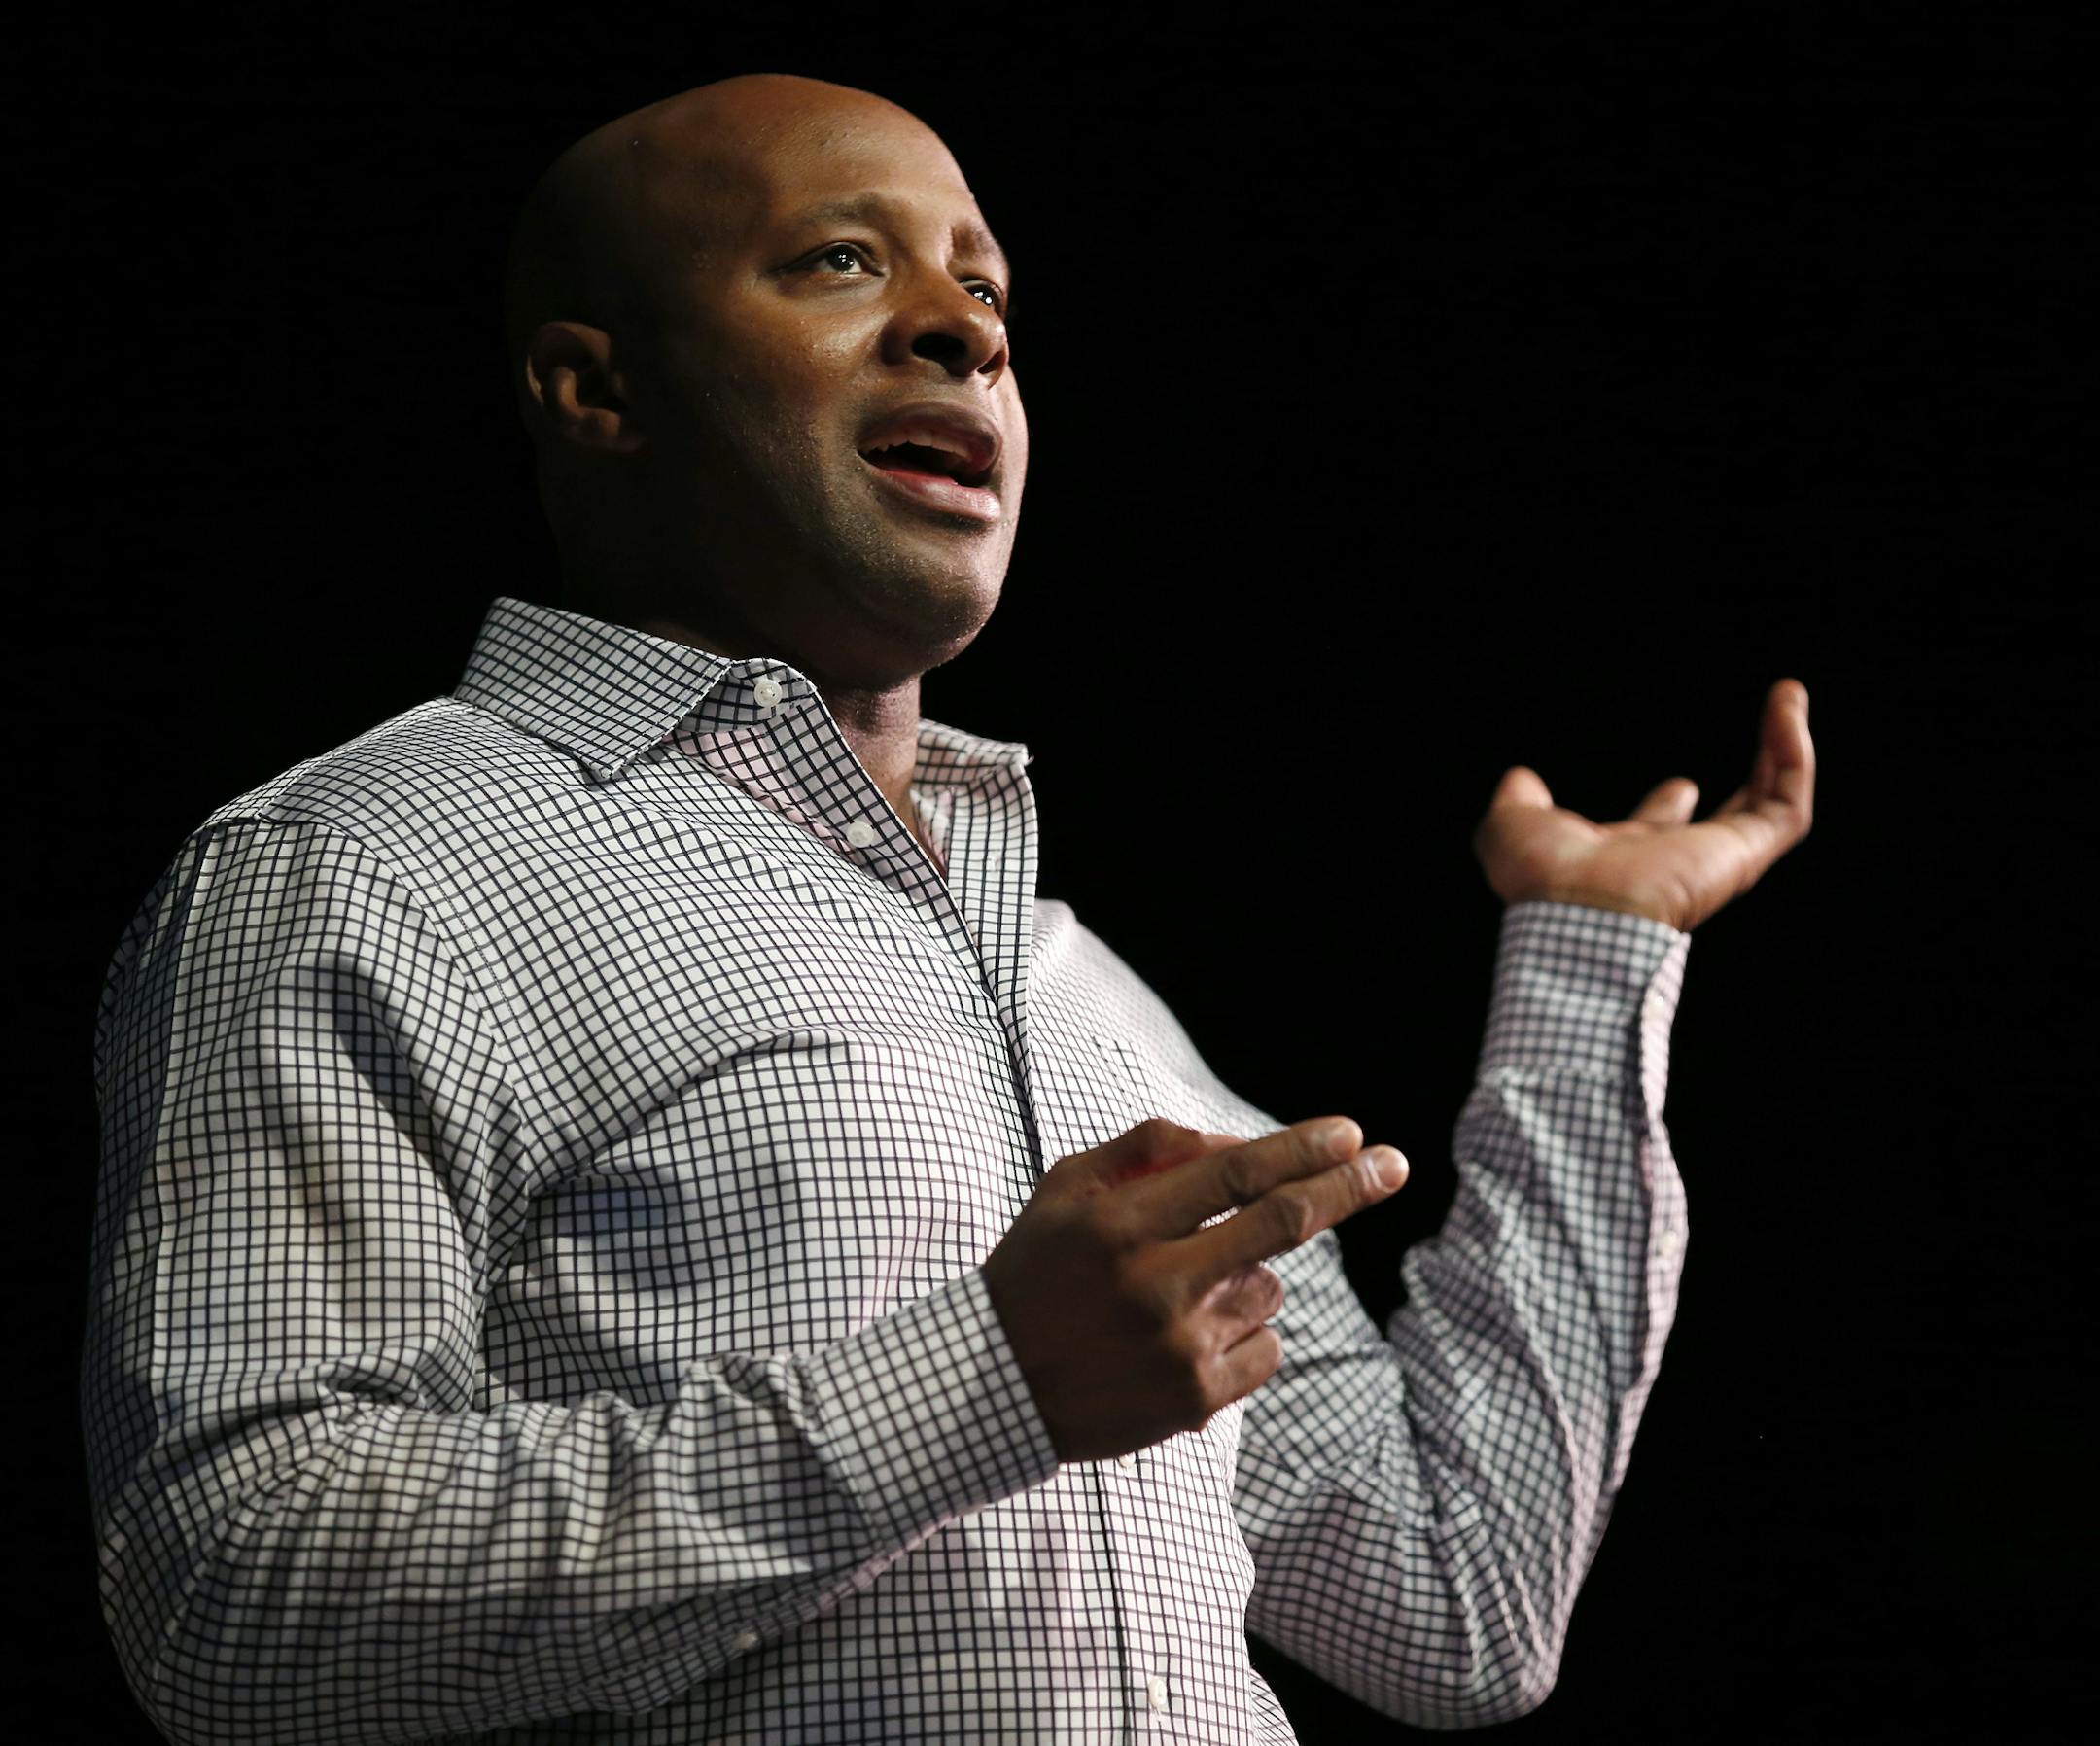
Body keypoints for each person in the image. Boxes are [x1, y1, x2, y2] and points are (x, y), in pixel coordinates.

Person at [80, 72, 1816, 1746]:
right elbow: (233, 1595)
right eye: (841, 260)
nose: (966, 327)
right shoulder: (362, 868)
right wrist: (982, 1383)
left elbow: (1460, 1597)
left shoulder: (1081, 991)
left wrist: (1599, 956)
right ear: (595, 390)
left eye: (985, 287)